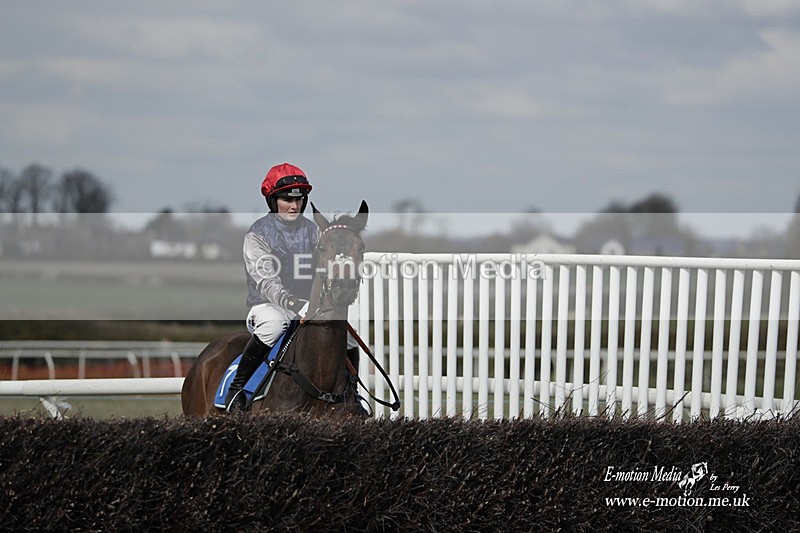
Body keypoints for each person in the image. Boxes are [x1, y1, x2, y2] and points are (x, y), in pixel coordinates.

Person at [224, 162, 360, 412]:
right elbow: (266, 282)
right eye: (287, 199)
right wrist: (293, 304)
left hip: (308, 306)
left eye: (299, 200)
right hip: (268, 307)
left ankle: (353, 393)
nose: (294, 205)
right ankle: (237, 389)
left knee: (348, 337)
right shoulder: (257, 235)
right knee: (276, 325)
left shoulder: (313, 231)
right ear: (273, 201)